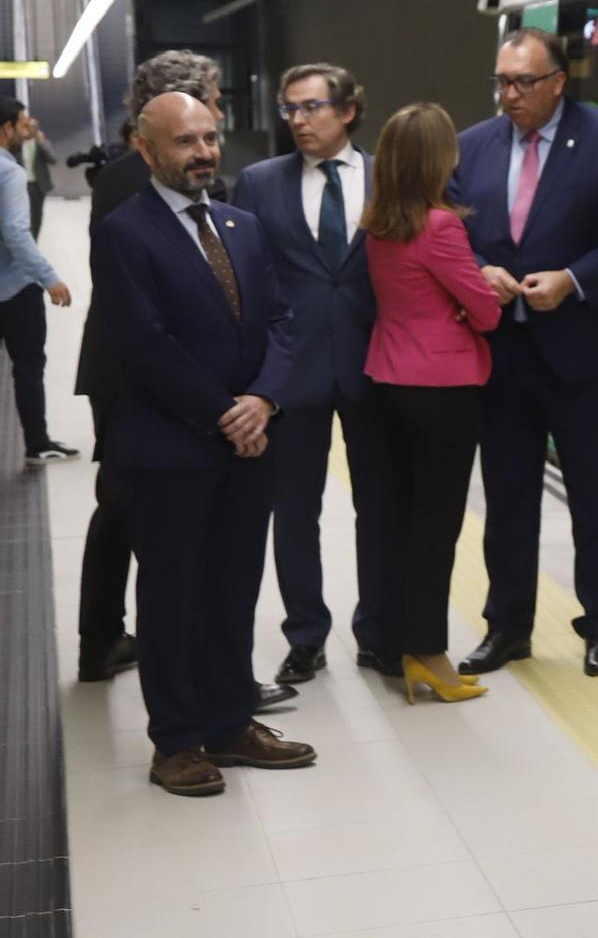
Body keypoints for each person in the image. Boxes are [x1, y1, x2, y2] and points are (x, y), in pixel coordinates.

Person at [91, 91, 314, 797]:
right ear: (147, 149)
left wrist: (265, 399)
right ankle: (177, 741)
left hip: (248, 443)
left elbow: (280, 320)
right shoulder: (125, 232)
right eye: (186, 141)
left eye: (210, 138)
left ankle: (228, 720)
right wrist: (226, 412)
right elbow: (143, 344)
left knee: (231, 588)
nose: (204, 153)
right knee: (172, 594)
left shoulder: (241, 224)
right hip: (170, 448)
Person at [450, 27, 598, 677]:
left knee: (595, 495)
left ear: (558, 82)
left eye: (523, 83)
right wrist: (478, 269)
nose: (508, 95)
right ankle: (507, 625)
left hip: (581, 355)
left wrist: (572, 280)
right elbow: (450, 233)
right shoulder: (472, 145)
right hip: (501, 353)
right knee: (507, 497)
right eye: (501, 82)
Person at [233, 63, 396, 684]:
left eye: (313, 108)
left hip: (374, 366)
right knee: (293, 510)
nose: (299, 120)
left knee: (377, 507)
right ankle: (305, 635)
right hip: (289, 374)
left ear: (349, 110)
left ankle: (376, 630)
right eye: (291, 109)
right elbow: (245, 282)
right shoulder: (258, 183)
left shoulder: (389, 177)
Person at [73, 51, 228, 686]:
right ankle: (184, 662)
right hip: (144, 373)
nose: (216, 115)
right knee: (154, 521)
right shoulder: (140, 185)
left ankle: (102, 638)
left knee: (117, 508)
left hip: (121, 365)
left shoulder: (115, 176)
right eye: (210, 101)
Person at [361, 103, 503, 702]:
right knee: (434, 526)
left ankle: (395, 644)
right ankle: (428, 653)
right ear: (436, 160)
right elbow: (490, 312)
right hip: (442, 390)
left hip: (386, 378)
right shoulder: (441, 225)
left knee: (396, 519)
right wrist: (481, 288)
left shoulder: (378, 222)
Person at [0, 97, 76, 465]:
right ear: (6, 129)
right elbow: (16, 232)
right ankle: (37, 443)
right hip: (14, 287)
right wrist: (49, 278)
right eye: (20, 123)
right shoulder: (9, 171)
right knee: (28, 364)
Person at [14, 107, 54, 239]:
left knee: (37, 216)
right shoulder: (18, 142)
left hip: (38, 184)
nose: (31, 129)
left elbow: (53, 159)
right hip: (23, 184)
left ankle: (33, 240)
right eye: (28, 126)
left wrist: (42, 143)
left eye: (34, 127)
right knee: (24, 215)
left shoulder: (41, 142)